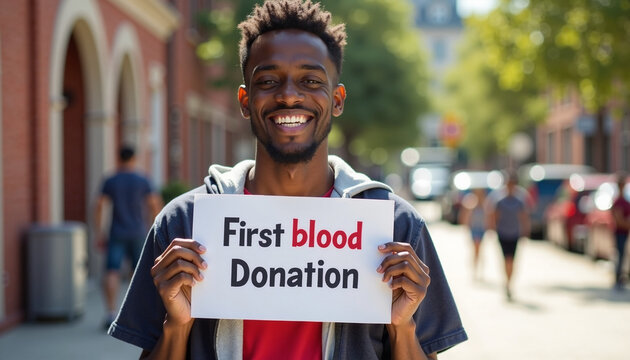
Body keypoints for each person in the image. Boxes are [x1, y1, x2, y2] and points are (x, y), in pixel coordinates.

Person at [108, 1, 467, 358]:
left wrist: (402, 327)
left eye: (311, 80)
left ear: (337, 100)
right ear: (245, 101)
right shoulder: (185, 223)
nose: (289, 95)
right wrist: (177, 327)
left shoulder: (395, 227)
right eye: (268, 81)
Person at [94, 145, 162, 329]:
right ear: (134, 158)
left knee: (111, 271)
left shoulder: (111, 180)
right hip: (139, 232)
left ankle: (110, 313)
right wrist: (155, 227)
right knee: (138, 272)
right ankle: (136, 313)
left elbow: (100, 205)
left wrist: (99, 231)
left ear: (119, 158)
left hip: (116, 232)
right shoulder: (142, 179)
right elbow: (155, 204)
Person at [486, 171, 530, 301]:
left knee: (512, 259)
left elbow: (524, 216)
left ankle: (510, 282)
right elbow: (493, 214)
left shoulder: (520, 200)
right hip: (503, 233)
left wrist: (526, 230)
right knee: (506, 259)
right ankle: (507, 282)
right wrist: (492, 229)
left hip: (514, 233)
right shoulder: (499, 199)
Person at [459, 187, 487, 280]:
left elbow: (487, 217)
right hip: (474, 230)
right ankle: (474, 270)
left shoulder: (484, 204)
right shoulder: (471, 204)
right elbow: (466, 217)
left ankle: (478, 270)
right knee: (475, 250)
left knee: (479, 250)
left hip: (481, 230)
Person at [611, 172, 630, 290]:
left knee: (625, 256)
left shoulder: (626, 201)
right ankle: (618, 278)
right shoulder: (618, 202)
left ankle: (624, 277)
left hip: (626, 232)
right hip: (620, 233)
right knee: (620, 255)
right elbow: (619, 220)